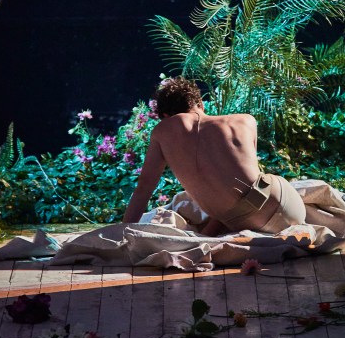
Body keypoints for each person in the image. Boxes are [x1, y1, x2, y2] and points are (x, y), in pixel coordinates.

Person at [123, 76, 306, 236]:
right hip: (287, 205)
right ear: (200, 104)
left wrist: (122, 235)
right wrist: (206, 235)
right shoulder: (245, 120)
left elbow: (144, 188)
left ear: (165, 115)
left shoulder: (164, 129)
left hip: (243, 221)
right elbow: (249, 186)